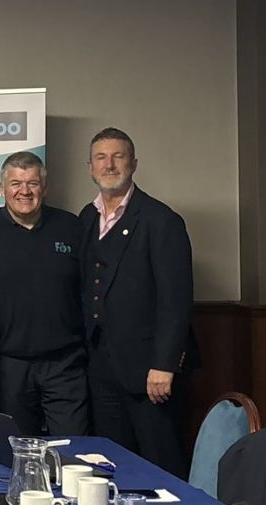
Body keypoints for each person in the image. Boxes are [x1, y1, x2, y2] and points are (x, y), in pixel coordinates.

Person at [79, 128, 199, 478]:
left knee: (161, 464)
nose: (109, 165)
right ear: (90, 167)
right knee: (111, 465)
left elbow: (175, 301)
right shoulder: (86, 218)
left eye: (118, 157)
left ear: (133, 164)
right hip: (101, 368)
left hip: (149, 372)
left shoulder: (161, 221)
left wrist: (164, 364)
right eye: (101, 158)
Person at [0, 151, 90, 437]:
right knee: (16, 449)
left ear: (44, 187)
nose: (24, 191)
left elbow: (90, 292)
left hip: (65, 364)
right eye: (16, 183)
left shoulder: (72, 227)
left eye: (32, 183)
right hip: (8, 366)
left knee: (74, 447)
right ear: (2, 189)